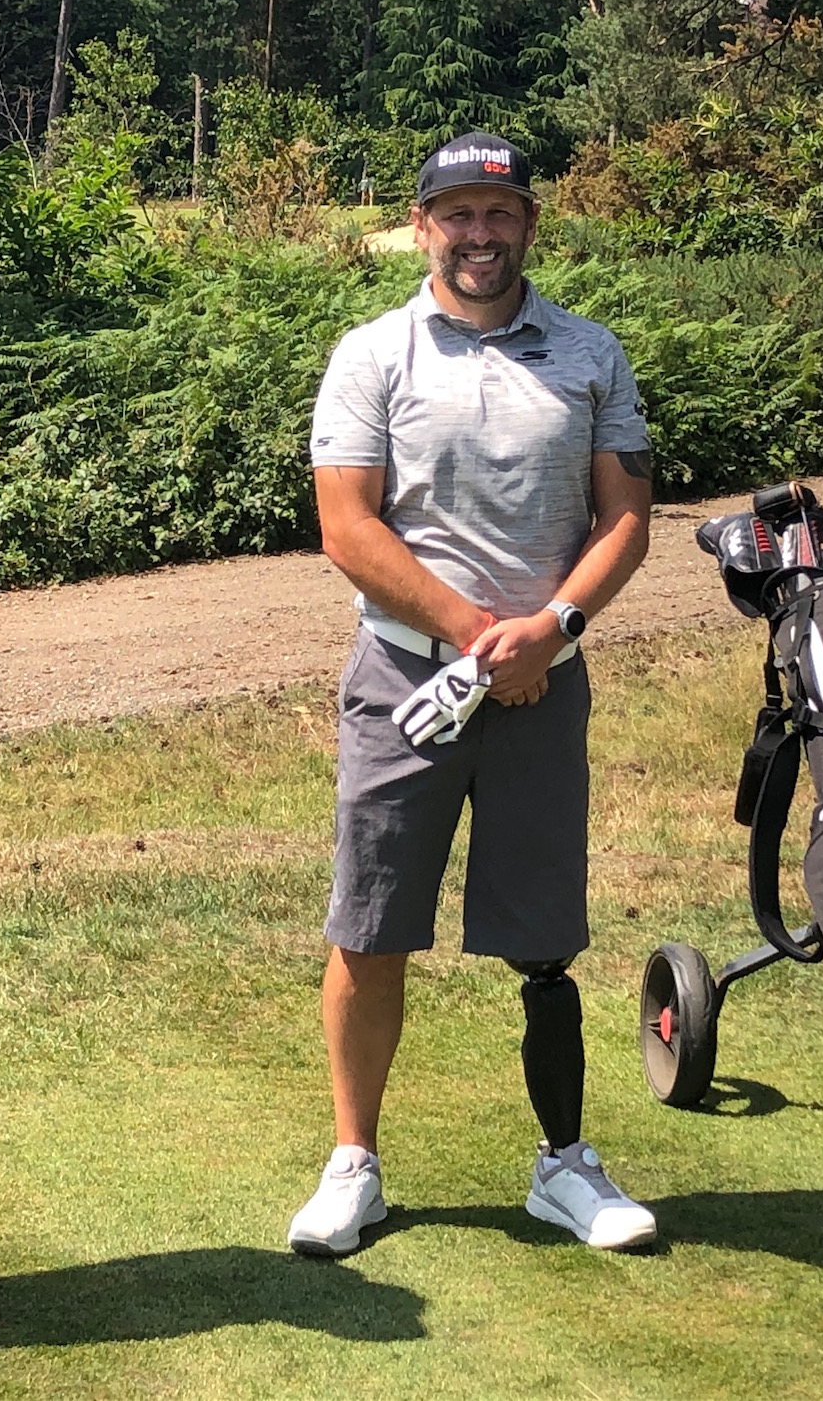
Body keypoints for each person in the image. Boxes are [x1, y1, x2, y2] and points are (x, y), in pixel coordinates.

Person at [287, 131, 659, 1257]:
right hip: (406, 676)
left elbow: (628, 520)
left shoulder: (591, 353)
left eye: (497, 215)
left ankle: (563, 1166)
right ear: (423, 226)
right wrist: (472, 635)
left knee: (545, 934)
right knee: (371, 923)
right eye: (456, 214)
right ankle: (354, 1163)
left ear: (529, 224)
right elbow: (345, 524)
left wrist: (551, 631)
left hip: (546, 681)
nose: (478, 235)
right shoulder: (372, 355)